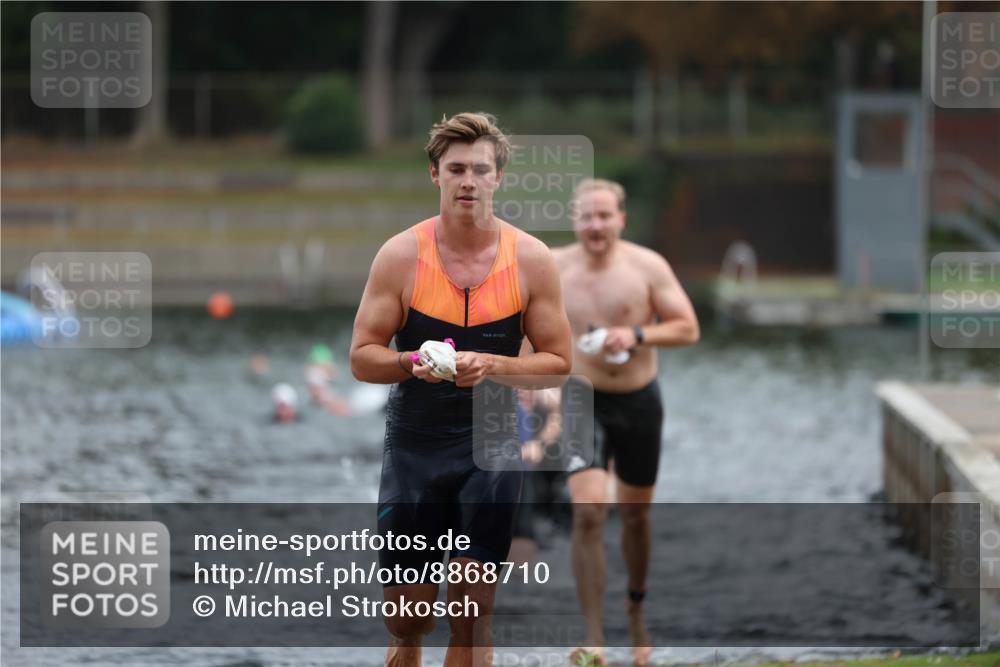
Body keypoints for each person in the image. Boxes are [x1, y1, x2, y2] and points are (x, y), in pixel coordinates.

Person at [349, 112, 572, 667]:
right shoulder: (400, 256)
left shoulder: (532, 259)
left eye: (479, 169)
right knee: (408, 622)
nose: (468, 180)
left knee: (472, 617)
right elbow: (361, 358)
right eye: (456, 169)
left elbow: (559, 363)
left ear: (498, 177)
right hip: (416, 444)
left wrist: (493, 366)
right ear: (435, 176)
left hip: (491, 443)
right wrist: (409, 360)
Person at [553, 178, 699, 666]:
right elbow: (524, 331)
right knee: (589, 511)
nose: (595, 226)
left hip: (638, 399)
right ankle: (593, 634)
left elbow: (687, 327)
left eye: (604, 216)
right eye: (586, 217)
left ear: (621, 219)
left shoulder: (647, 266)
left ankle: (635, 607)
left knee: (635, 516)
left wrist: (635, 334)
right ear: (574, 220)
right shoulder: (552, 267)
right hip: (579, 399)